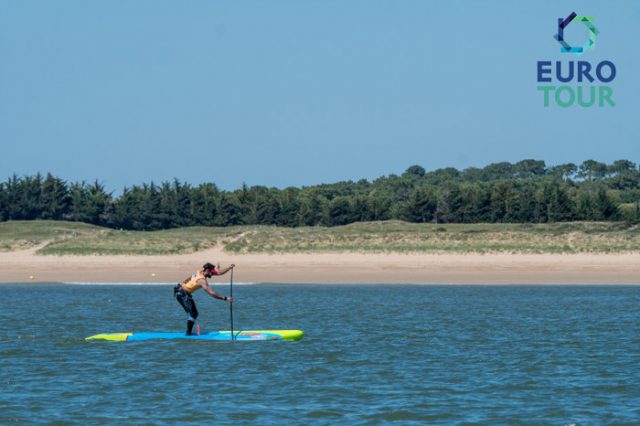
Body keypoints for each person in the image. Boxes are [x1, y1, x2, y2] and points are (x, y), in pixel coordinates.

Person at [173, 262, 234, 335]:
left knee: (193, 313)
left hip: (181, 291)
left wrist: (229, 268)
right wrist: (225, 298)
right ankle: (188, 334)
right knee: (193, 313)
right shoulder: (202, 281)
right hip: (182, 294)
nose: (212, 274)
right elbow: (212, 293)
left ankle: (188, 332)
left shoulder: (200, 272)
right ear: (207, 270)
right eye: (212, 272)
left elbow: (219, 273)